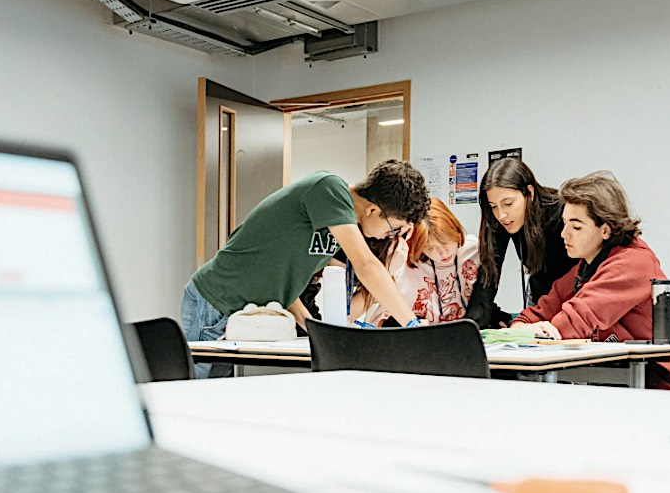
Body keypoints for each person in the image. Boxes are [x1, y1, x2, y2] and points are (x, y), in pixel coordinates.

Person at [181, 160, 430, 377]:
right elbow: (366, 265)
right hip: (215, 301)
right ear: (373, 210)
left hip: (245, 315)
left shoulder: (336, 226)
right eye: (394, 229)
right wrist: (413, 326)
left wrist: (316, 330)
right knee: (193, 392)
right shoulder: (329, 188)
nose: (390, 235)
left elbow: (285, 282)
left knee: (217, 393)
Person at [511, 171, 670, 392]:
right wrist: (523, 329)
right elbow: (533, 315)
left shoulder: (634, 263)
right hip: (639, 384)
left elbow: (575, 321)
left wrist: (537, 332)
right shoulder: (585, 268)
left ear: (605, 230)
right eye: (564, 224)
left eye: (576, 226)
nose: (564, 234)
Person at [465, 158, 578, 329]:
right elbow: (489, 273)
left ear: (529, 193)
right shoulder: (500, 219)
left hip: (577, 291)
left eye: (508, 204)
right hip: (540, 296)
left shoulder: (560, 213)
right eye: (493, 206)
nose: (501, 214)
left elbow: (585, 270)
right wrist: (473, 327)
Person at [350, 198, 479, 325]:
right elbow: (349, 314)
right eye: (430, 248)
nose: (443, 253)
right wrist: (387, 272)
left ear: (456, 231)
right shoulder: (402, 263)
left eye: (446, 242)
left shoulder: (475, 251)